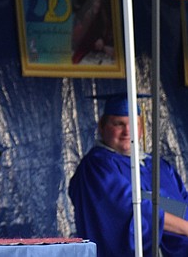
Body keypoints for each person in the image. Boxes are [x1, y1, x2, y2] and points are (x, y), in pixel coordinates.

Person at [69, 94, 188, 257]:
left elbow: (182, 204)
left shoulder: (157, 164)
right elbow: (132, 210)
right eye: (118, 124)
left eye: (134, 123)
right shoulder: (97, 166)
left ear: (141, 129)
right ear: (101, 127)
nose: (127, 131)